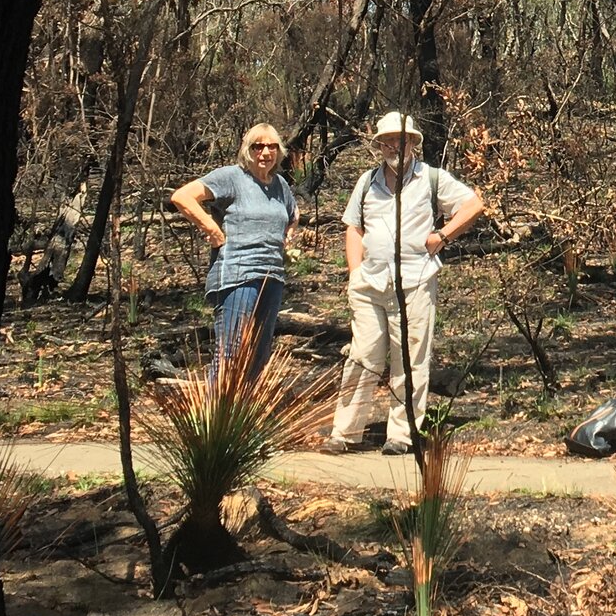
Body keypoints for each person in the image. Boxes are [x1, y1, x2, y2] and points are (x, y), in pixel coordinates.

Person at [326, 111, 485, 454]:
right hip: (370, 284)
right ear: (379, 144)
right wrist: (354, 273)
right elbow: (353, 227)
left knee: (410, 357)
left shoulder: (432, 179)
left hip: (415, 281)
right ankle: (345, 432)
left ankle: (402, 433)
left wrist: (442, 235)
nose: (393, 145)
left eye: (400, 139)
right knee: (363, 355)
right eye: (386, 140)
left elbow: (473, 205)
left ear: (412, 142)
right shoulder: (367, 182)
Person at [170, 124, 297, 380]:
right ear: (247, 150)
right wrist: (212, 229)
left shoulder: (280, 184)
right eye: (258, 146)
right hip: (238, 276)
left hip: (272, 278)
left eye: (271, 146)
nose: (265, 153)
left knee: (258, 356)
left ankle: (245, 417)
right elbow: (182, 196)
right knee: (231, 354)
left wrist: (289, 233)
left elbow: (293, 213)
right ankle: (216, 418)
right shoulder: (231, 177)